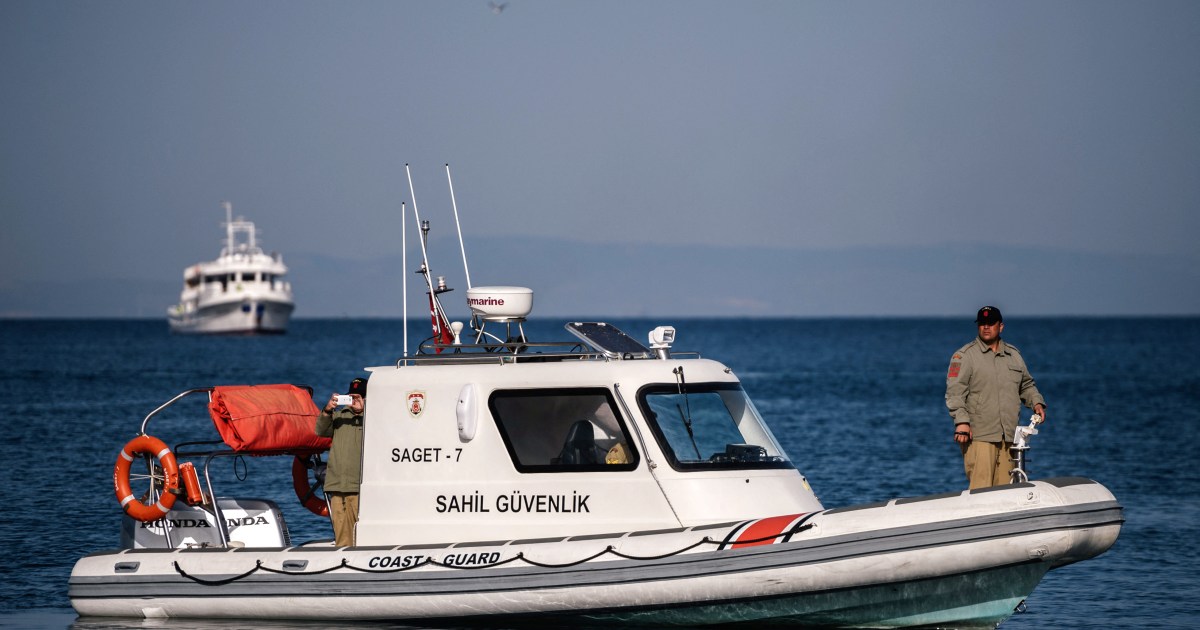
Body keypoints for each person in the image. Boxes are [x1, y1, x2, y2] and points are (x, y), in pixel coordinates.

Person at [945, 306, 1047, 489]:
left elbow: (1026, 385)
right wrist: (962, 422)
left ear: (1001, 327)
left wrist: (1037, 402)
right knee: (981, 492)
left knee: (1007, 492)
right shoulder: (964, 356)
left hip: (1009, 437)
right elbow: (954, 394)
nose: (986, 327)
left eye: (991, 323)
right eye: (982, 323)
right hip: (980, 436)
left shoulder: (1014, 355)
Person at [316, 377, 367, 546]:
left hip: (357, 485)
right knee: (340, 531)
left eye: (358, 397)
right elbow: (320, 431)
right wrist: (327, 410)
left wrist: (364, 411)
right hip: (336, 483)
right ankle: (342, 554)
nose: (354, 401)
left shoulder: (372, 417)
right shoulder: (339, 416)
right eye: (351, 397)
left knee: (357, 531)